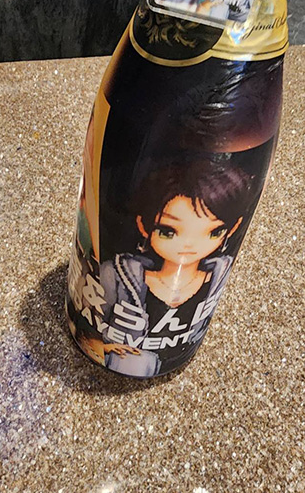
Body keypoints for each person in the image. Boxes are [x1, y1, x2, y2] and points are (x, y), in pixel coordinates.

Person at [96, 158, 252, 377]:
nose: (188, 245)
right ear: (143, 226)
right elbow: (91, 321)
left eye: (213, 232)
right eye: (168, 231)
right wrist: (98, 345)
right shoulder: (116, 275)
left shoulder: (218, 275)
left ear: (232, 229)